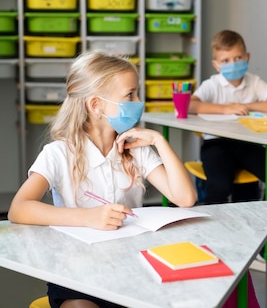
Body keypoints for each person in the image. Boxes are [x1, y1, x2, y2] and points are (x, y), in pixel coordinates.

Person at [8, 51, 197, 308]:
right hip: (75, 269)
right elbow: (19, 208)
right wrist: (89, 217)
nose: (138, 101)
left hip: (132, 264)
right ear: (96, 105)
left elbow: (185, 198)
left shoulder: (136, 148)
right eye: (130, 94)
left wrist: (159, 141)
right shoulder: (59, 153)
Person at [188, 29, 267, 204]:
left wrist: (245, 107)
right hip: (216, 144)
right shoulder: (212, 84)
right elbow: (190, 105)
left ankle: (264, 220)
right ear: (216, 64)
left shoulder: (254, 81)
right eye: (225, 61)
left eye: (238, 58)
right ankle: (216, 230)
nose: (233, 64)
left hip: (248, 143)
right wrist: (226, 109)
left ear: (247, 57)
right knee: (219, 187)